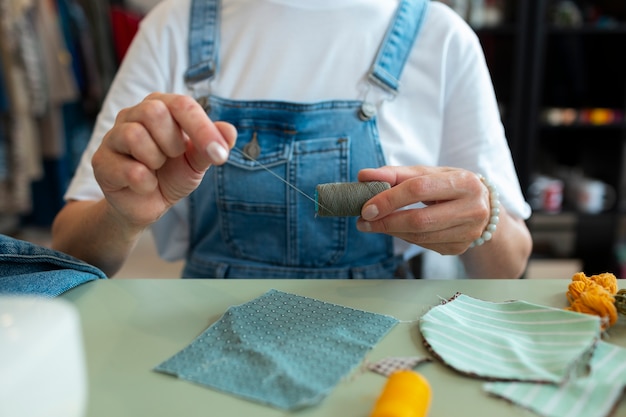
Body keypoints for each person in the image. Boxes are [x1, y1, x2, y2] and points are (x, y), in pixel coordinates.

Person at [51, 0, 532, 279]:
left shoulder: (442, 37)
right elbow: (72, 252)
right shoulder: (172, 28)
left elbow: (510, 265)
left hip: (382, 350)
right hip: (209, 337)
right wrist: (121, 213)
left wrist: (484, 218)